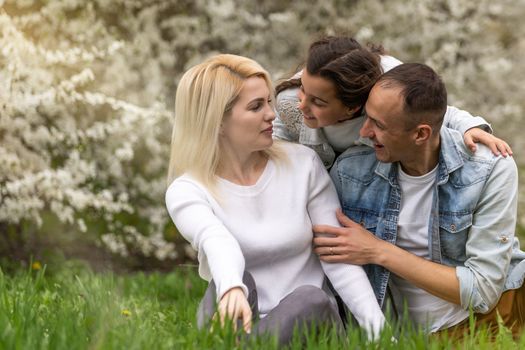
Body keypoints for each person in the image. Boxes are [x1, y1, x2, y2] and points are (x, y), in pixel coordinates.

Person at [165, 54, 386, 345]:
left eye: (268, 102)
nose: (272, 114)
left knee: (310, 299)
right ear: (217, 121)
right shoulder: (188, 189)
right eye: (256, 106)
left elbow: (338, 256)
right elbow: (215, 238)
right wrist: (231, 288)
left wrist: (381, 336)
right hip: (240, 324)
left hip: (311, 328)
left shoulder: (303, 164)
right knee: (236, 278)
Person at [313, 63, 525, 336]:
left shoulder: (489, 169)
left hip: (494, 317)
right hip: (408, 333)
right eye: (367, 117)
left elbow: (482, 290)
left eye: (378, 124)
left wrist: (379, 251)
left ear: (421, 134)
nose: (364, 132)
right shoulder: (351, 172)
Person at [273, 36, 512, 169]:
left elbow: (431, 112)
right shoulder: (290, 101)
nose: (302, 105)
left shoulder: (386, 92)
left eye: (318, 102)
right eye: (304, 89)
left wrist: (470, 127)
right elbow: (277, 138)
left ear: (352, 108)